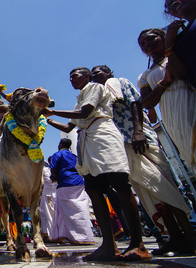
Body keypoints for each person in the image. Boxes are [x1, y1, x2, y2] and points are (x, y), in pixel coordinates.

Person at [45, 67, 150, 261]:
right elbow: (69, 126)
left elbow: (86, 112)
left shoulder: (93, 87)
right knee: (94, 190)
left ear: (87, 76)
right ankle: (109, 246)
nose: (71, 79)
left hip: (103, 136)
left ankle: (138, 244)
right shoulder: (80, 98)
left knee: (120, 185)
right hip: (88, 142)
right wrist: (48, 119)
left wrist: (52, 110)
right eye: (69, 77)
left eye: (75, 76)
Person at [93, 64, 196, 255]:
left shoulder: (120, 82)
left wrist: (138, 131)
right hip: (121, 145)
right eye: (92, 74)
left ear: (108, 72)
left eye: (98, 72)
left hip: (139, 139)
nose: (94, 75)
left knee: (163, 186)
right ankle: (175, 238)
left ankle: (190, 237)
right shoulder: (98, 94)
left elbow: (135, 103)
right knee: (149, 193)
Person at [137, 28, 196, 178]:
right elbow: (147, 103)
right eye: (143, 43)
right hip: (171, 116)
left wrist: (170, 46)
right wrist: (164, 83)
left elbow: (181, 74)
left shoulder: (177, 53)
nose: (147, 44)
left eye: (151, 39)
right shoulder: (144, 76)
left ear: (163, 38)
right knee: (190, 154)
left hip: (189, 99)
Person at [49, 138, 94, 245]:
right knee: (80, 208)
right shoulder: (74, 156)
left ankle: (71, 236)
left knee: (64, 211)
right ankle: (83, 235)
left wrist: (54, 177)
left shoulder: (58, 154)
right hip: (79, 183)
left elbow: (53, 169)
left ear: (60, 145)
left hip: (65, 184)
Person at [162, 0, 196, 89]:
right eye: (169, 6)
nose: (174, 4)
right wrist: (169, 42)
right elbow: (181, 74)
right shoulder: (180, 39)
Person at [39, 156, 55, 242]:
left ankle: (51, 234)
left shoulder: (47, 171)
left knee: (49, 216)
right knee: (46, 215)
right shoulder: (46, 170)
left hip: (51, 195)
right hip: (48, 196)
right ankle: (48, 234)